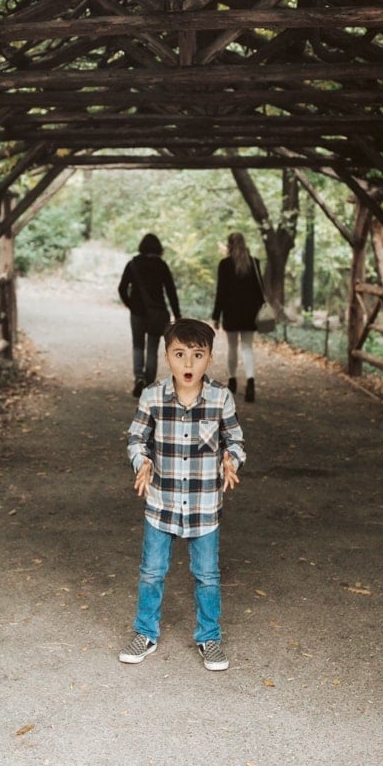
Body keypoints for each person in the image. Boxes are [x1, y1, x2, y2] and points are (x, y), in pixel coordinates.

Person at [119, 318, 245, 671]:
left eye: (197, 355)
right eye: (179, 354)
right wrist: (141, 461)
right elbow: (136, 438)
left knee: (207, 575)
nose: (188, 364)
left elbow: (235, 440)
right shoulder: (152, 396)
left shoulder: (221, 398)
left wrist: (230, 460)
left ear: (209, 358)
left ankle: (209, 638)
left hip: (205, 507)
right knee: (151, 572)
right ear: (166, 356)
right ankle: (145, 632)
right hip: (161, 503)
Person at [118, 233, 181, 398]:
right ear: (158, 248)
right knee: (152, 349)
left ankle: (138, 377)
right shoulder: (162, 265)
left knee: (138, 345)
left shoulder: (133, 265)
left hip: (138, 313)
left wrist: (131, 305)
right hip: (157, 313)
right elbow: (171, 292)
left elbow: (122, 289)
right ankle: (149, 383)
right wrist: (177, 314)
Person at [211, 231, 265, 403]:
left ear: (229, 245)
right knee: (247, 347)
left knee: (232, 347)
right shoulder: (254, 263)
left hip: (231, 312)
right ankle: (250, 382)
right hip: (250, 313)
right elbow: (260, 291)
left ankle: (232, 381)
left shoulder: (225, 265)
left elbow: (221, 292)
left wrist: (216, 316)